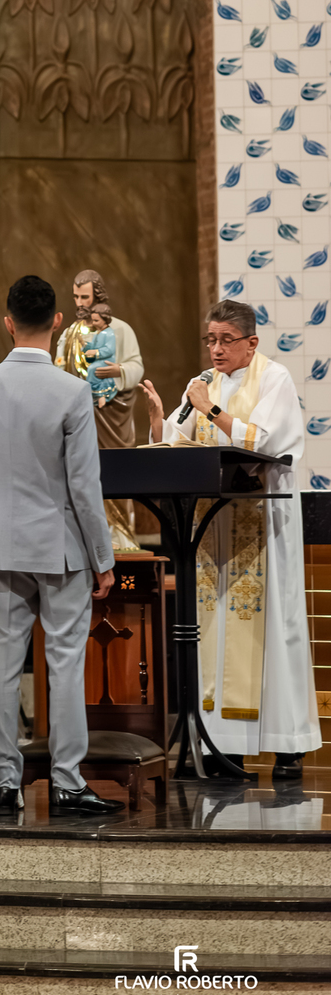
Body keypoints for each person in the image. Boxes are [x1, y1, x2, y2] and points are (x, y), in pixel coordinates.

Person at [143, 299, 320, 782]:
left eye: (226, 340)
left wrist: (211, 409)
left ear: (251, 342)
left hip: (262, 524)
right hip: (212, 530)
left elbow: (264, 441)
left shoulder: (274, 378)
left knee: (273, 632)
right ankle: (225, 747)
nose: (216, 349)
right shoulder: (203, 382)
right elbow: (175, 442)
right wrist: (158, 420)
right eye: (211, 340)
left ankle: (286, 746)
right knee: (217, 632)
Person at [0, 273, 119, 816]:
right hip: (59, 547)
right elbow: (84, 486)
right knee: (65, 663)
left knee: (2, 666)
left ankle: (3, 781)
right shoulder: (71, 391)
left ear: (8, 324)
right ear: (56, 321)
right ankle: (67, 782)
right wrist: (103, 558)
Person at [56, 267, 145, 548]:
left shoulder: (120, 329)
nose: (80, 303)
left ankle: (119, 537)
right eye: (76, 297)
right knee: (79, 474)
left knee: (114, 472)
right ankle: (84, 538)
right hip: (77, 416)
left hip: (111, 416)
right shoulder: (70, 334)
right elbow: (58, 368)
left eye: (85, 297)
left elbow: (136, 367)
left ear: (98, 296)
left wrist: (119, 371)